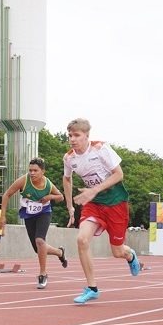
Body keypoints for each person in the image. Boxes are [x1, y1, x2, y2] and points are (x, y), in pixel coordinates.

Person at [62, 118, 141, 304]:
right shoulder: (69, 158)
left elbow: (119, 174)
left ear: (86, 136)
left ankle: (130, 255)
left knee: (117, 251)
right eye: (70, 135)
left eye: (77, 135)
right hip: (93, 203)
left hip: (115, 202)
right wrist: (70, 206)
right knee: (82, 239)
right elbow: (67, 179)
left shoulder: (100, 149)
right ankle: (92, 288)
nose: (72, 139)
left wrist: (94, 189)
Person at [0, 157, 68, 289]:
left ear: (43, 171)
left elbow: (60, 197)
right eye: (30, 170)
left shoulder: (48, 184)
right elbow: (6, 194)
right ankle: (60, 252)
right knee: (38, 249)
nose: (32, 173)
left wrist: (50, 197)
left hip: (44, 213)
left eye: (35, 170)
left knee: (40, 241)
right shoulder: (23, 181)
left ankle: (43, 274)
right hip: (29, 214)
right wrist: (3, 216)